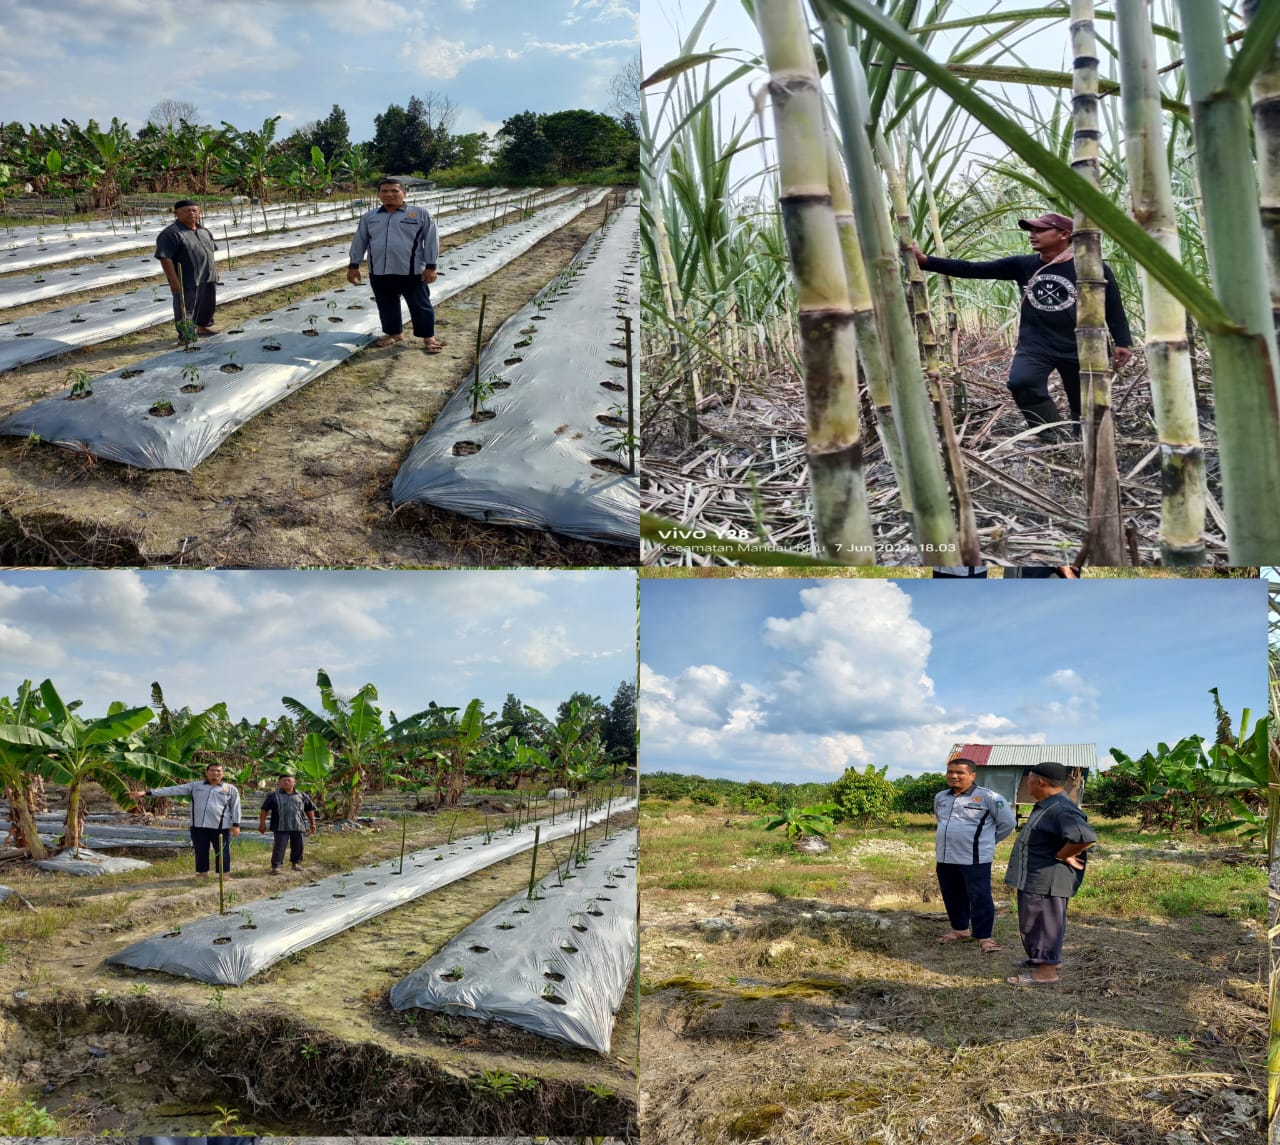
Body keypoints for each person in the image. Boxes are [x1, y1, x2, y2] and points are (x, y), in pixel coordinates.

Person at [912, 212, 1134, 441]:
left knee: (1083, 401)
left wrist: (1123, 341)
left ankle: (1086, 444)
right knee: (1021, 382)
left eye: (1040, 230)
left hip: (1081, 346)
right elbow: (973, 269)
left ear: (1064, 234)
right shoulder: (1022, 265)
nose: (1032, 235)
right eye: (1031, 230)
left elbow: (1113, 305)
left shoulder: (1091, 267)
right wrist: (926, 261)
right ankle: (1052, 437)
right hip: (1036, 344)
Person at [1003, 760, 1097, 986]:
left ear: (1039, 781)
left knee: (1044, 924)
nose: (1027, 785)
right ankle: (1042, 959)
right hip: (1036, 878)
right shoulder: (1048, 804)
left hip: (1048, 880)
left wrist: (1063, 855)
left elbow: (1084, 837)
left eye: (1029, 780)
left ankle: (1046, 973)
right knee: (1034, 922)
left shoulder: (1061, 808)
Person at [347, 178, 443, 352]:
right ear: (378, 195)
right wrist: (353, 265)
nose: (389, 194)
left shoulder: (420, 214)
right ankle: (395, 333)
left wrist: (431, 267)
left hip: (411, 270)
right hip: (379, 270)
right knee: (386, 304)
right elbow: (359, 241)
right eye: (384, 191)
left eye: (394, 191)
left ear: (404, 194)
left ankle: (429, 337)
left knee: (420, 304)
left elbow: (431, 241)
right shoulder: (370, 217)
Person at [934, 757, 1016, 953]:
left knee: (980, 896)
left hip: (975, 858)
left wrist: (986, 842)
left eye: (960, 772)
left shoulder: (990, 797)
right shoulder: (941, 797)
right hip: (945, 857)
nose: (953, 776)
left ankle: (984, 937)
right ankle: (960, 929)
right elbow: (940, 820)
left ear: (972, 775)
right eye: (950, 772)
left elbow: (1009, 824)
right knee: (952, 894)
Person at [134, 763, 241, 877]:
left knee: (222, 851)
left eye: (218, 771)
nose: (215, 773)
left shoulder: (230, 789)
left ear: (223, 774)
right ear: (207, 773)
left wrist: (236, 824)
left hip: (221, 827)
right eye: (212, 770)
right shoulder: (195, 786)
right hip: (198, 826)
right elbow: (173, 790)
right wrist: (147, 793)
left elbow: (235, 807)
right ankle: (202, 873)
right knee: (200, 850)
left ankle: (224, 875)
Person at [155, 199, 219, 340]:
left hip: (207, 276)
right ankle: (187, 334)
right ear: (176, 213)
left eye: (194, 210)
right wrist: (173, 280)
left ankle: (202, 327)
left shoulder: (204, 231)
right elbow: (165, 258)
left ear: (199, 213)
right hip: (187, 278)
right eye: (186, 210)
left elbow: (210, 253)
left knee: (207, 304)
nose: (191, 213)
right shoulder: (170, 234)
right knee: (185, 307)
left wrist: (215, 272)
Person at [258, 772, 318, 874]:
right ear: (279, 783)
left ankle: (296, 863)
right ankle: (276, 866)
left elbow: (309, 810)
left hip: (298, 825)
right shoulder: (273, 796)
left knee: (299, 845)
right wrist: (262, 824)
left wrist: (313, 824)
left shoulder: (302, 795)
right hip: (280, 826)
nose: (286, 782)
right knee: (279, 847)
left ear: (294, 782)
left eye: (289, 780)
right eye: (284, 781)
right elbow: (264, 810)